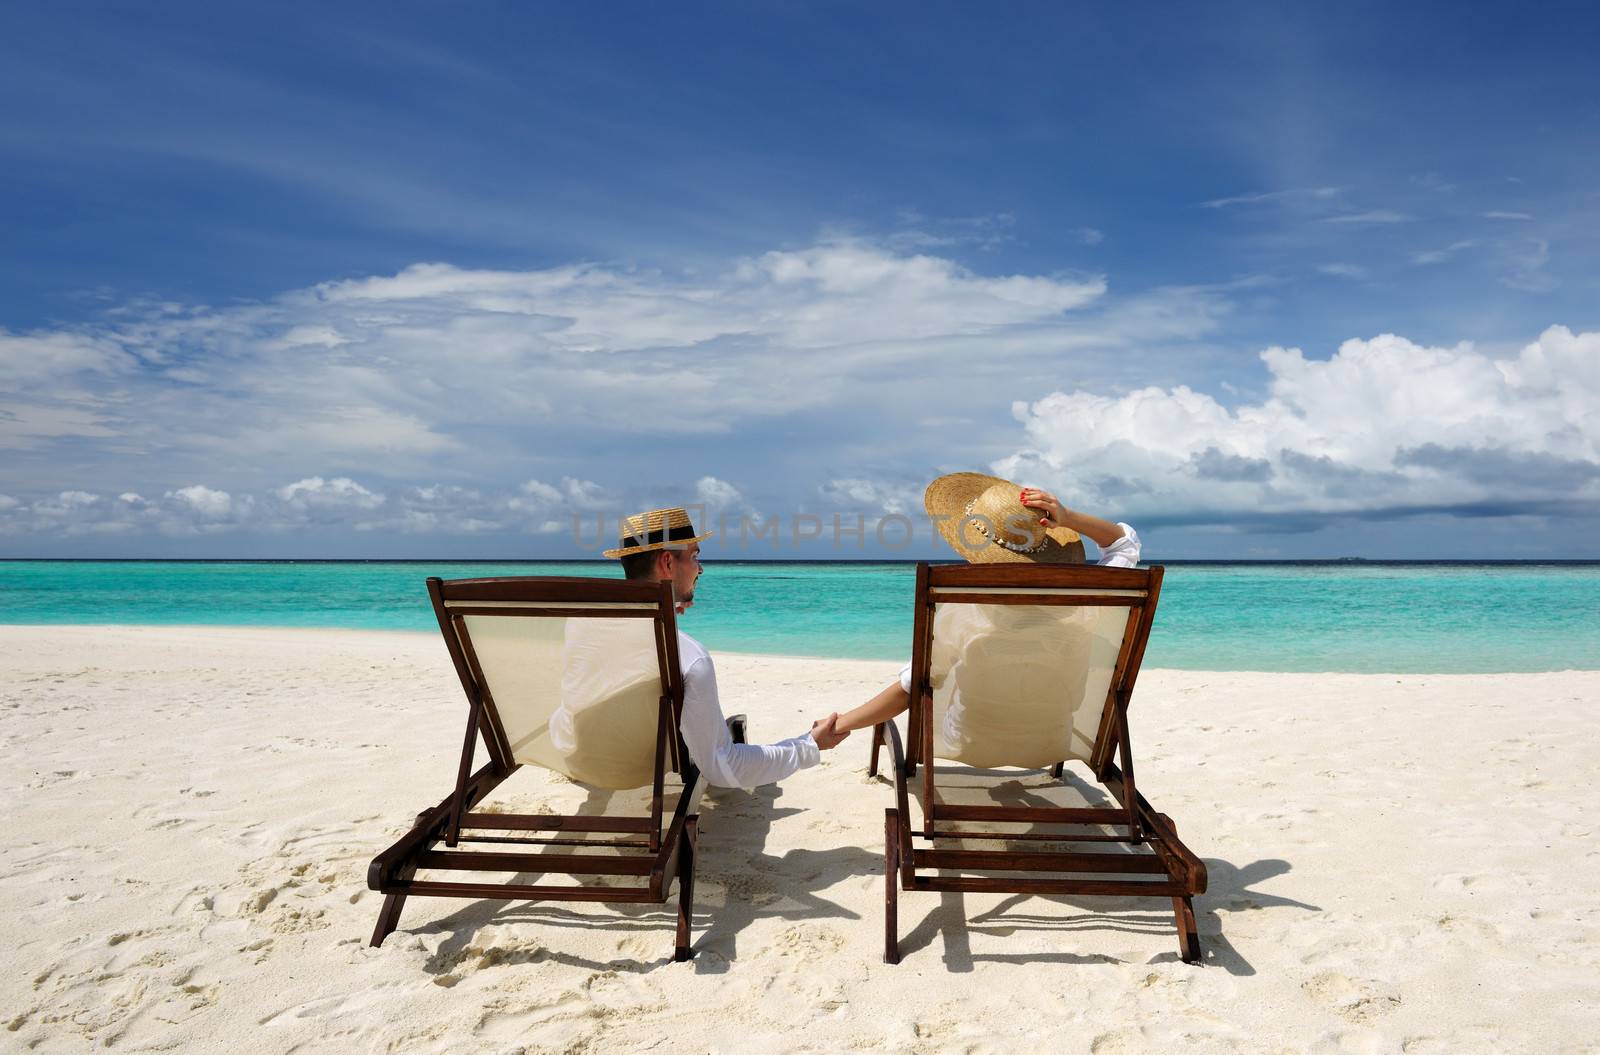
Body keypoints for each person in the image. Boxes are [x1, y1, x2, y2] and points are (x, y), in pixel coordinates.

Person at [829, 473, 1142, 737]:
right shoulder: (1088, 607)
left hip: (968, 739)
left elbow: (912, 687)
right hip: (1052, 736)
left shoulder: (965, 615)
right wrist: (1069, 517)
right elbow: (1124, 543)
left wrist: (839, 725)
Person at [602, 506, 851, 788]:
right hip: (648, 771)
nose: (701, 568)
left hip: (593, 763)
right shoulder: (689, 658)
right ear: (668, 563)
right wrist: (809, 746)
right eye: (695, 556)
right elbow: (724, 766)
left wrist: (665, 611)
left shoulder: (582, 633)